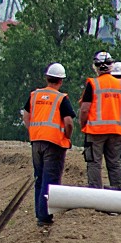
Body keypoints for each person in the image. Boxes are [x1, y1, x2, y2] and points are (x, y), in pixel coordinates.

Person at [27, 62, 80, 225]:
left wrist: (33, 131)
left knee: (39, 178)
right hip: (54, 144)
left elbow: (26, 115)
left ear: (47, 78)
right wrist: (67, 137)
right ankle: (44, 217)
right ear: (61, 81)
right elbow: (69, 122)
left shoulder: (34, 95)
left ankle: (39, 214)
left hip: (36, 142)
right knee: (50, 181)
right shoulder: (61, 98)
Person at [81, 52, 121, 190]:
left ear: (95, 67)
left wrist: (83, 125)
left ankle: (96, 195)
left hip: (95, 131)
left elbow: (85, 109)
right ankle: (117, 196)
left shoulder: (93, 84)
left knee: (94, 163)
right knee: (115, 163)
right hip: (116, 131)